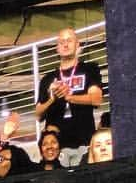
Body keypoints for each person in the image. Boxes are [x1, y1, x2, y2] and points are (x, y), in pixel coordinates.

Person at [34, 28, 103, 162]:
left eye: (69, 40)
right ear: (57, 48)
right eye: (61, 42)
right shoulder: (48, 78)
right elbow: (38, 114)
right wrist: (51, 99)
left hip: (84, 141)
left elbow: (97, 99)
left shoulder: (89, 69)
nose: (65, 45)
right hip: (57, 147)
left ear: (78, 45)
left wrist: (69, 97)